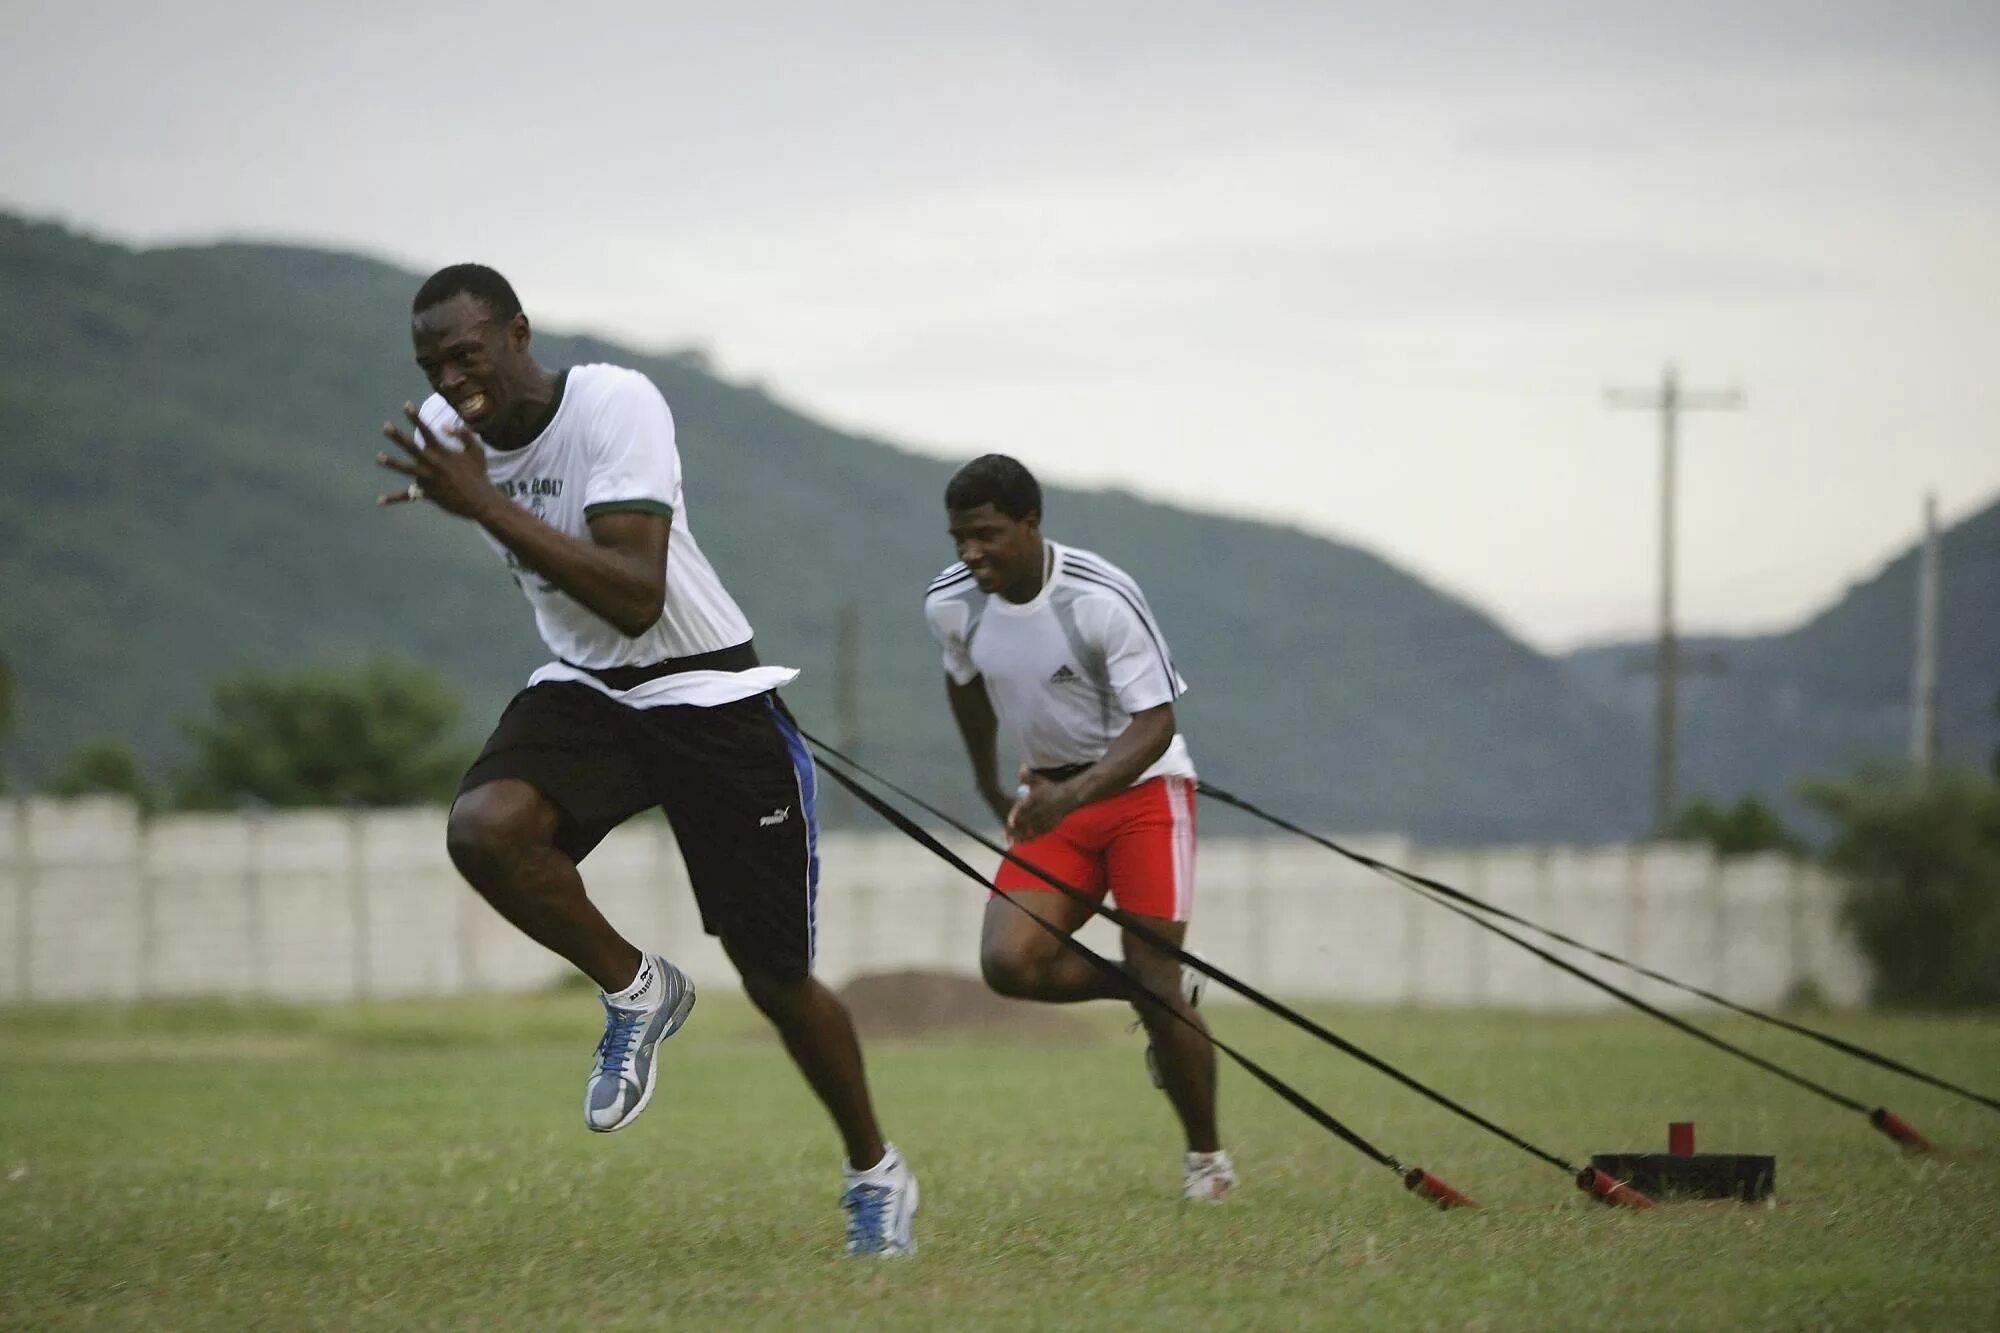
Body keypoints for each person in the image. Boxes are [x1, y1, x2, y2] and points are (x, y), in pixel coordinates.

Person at [374, 263, 916, 1256]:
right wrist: (465, 486)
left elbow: (635, 595)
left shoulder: (615, 404)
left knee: (777, 981)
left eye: (467, 353)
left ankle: (874, 1172)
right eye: (431, 364)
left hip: (707, 695)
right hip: (588, 692)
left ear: (518, 335)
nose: (451, 379)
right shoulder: (459, 443)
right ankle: (637, 988)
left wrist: (480, 504)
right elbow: (588, 617)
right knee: (485, 829)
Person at [922, 454, 1234, 1202]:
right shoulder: (951, 603)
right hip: (1047, 798)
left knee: (1156, 966)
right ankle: (1154, 1003)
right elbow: (963, 682)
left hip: (1144, 794)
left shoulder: (1100, 598)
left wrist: (1080, 793)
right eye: (959, 537)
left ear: (1030, 524)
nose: (971, 553)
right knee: (1009, 963)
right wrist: (989, 780)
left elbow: (1156, 723)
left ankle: (1207, 1163)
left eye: (987, 535)